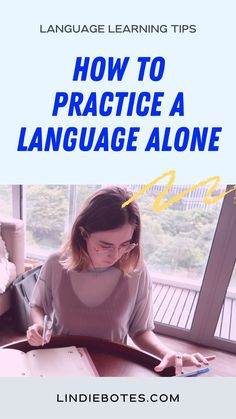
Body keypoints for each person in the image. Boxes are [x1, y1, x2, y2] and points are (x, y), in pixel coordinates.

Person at [27, 185, 215, 373]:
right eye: (105, 245)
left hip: (112, 366)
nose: (116, 255)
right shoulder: (56, 264)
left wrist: (167, 353)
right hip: (62, 363)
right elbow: (38, 305)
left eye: (125, 244)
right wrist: (38, 326)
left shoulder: (136, 271)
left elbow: (140, 331)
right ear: (83, 234)